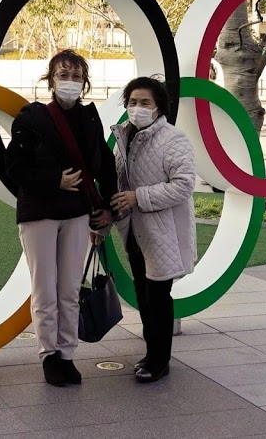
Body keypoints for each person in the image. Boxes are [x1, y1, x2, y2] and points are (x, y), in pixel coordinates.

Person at [5, 49, 116, 387]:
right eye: (63, 75)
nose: (70, 82)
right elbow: (15, 167)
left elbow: (106, 164)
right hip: (39, 213)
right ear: (51, 79)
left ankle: (67, 354)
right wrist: (55, 179)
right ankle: (49, 355)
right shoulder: (31, 117)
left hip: (77, 214)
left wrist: (107, 208)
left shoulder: (90, 118)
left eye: (76, 76)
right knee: (45, 290)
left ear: (85, 82)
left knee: (69, 289)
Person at [97, 76, 196, 383]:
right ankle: (152, 353)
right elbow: (119, 184)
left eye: (145, 103)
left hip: (162, 233)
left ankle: (159, 360)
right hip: (135, 233)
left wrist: (138, 197)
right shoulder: (124, 136)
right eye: (132, 102)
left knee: (158, 296)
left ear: (158, 108)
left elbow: (184, 185)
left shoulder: (174, 139)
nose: (137, 108)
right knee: (143, 294)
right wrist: (110, 216)